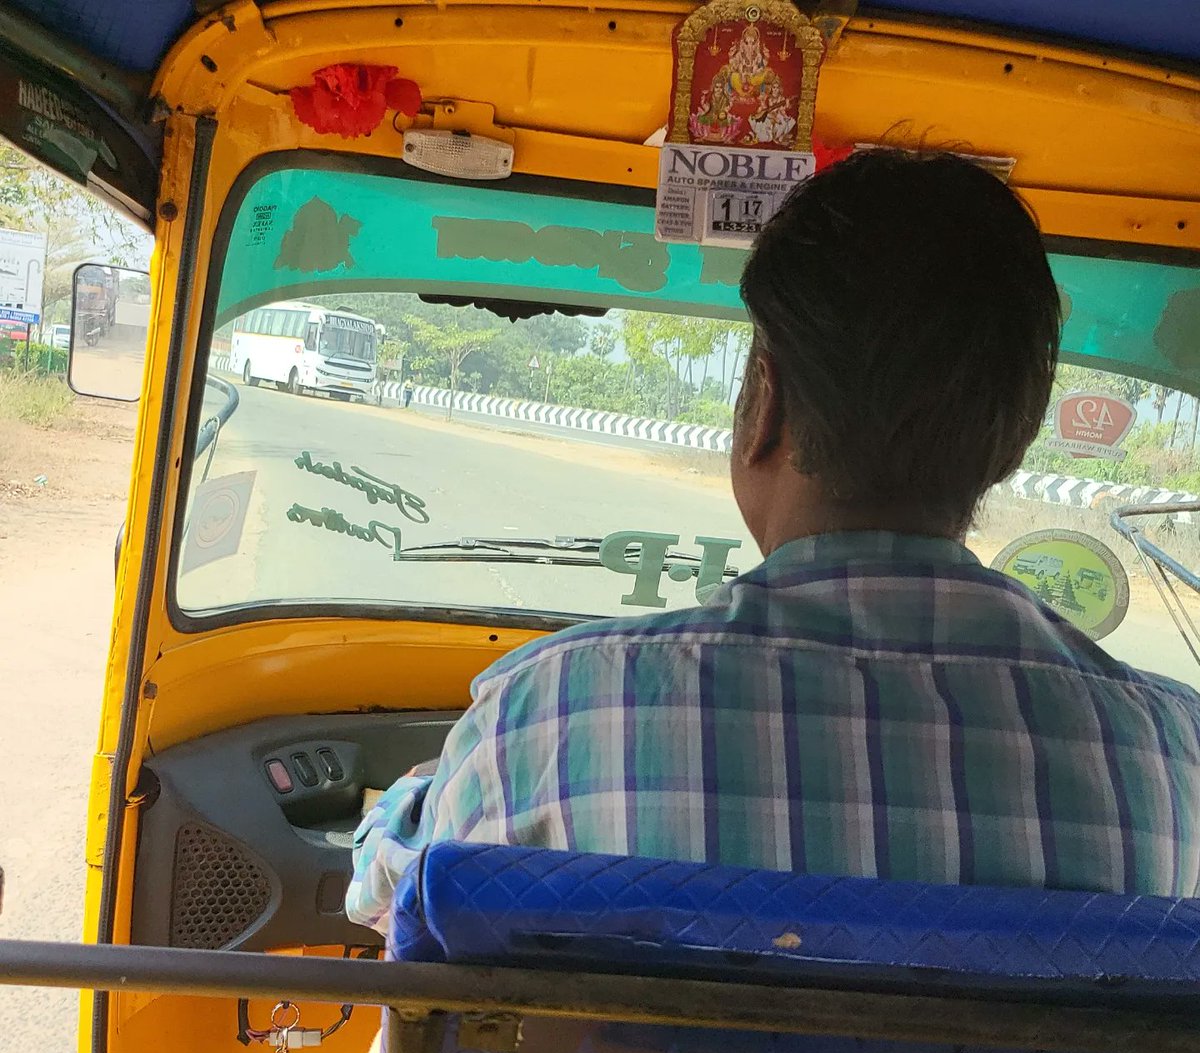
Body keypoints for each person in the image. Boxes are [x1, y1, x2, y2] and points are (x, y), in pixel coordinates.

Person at [348, 148, 1200, 939]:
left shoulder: (553, 710)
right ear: (1013, 443)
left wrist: (413, 797)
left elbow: (391, 899)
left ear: (766, 405)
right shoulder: (1173, 761)